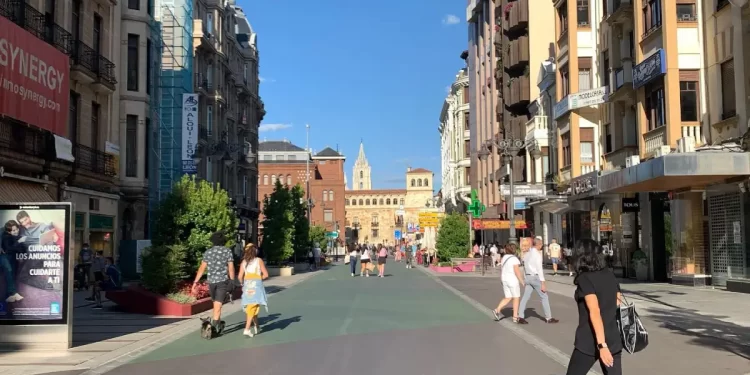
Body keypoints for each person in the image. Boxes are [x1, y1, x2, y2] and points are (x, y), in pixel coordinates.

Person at [566, 239, 623, 375]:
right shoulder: (609, 274)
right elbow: (617, 302)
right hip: (612, 338)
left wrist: (601, 345)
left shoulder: (585, 278)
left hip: (589, 341)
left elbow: (594, 311)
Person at [192, 231, 236, 331]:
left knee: (216, 304)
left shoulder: (208, 252)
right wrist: (232, 280)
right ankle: (213, 325)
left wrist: (195, 282)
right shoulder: (227, 251)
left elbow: (202, 268)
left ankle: (218, 322)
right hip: (222, 281)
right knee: (218, 304)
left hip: (211, 282)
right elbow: (231, 267)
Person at [518, 236, 559, 324]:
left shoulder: (527, 253)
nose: (542, 246)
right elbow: (539, 269)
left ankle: (520, 316)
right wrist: (543, 282)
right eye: (541, 245)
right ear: (539, 244)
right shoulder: (537, 254)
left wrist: (525, 278)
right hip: (535, 277)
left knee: (525, 297)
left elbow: (524, 266)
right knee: (544, 296)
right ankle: (548, 317)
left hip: (528, 277)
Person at [238, 243, 268, 337]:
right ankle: (247, 329)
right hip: (256, 287)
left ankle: (257, 326)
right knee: (253, 306)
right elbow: (266, 274)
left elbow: (239, 276)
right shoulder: (258, 260)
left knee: (251, 306)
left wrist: (243, 283)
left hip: (247, 287)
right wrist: (258, 279)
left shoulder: (243, 262)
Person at [491, 243, 525, 323]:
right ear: (514, 250)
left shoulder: (504, 258)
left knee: (508, 297)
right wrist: (522, 281)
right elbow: (517, 271)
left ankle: (497, 310)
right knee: (516, 297)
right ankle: (515, 316)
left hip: (504, 279)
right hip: (512, 280)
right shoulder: (514, 259)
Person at [0, 220, 26, 303]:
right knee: (9, 269)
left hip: (10, 256)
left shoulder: (16, 235)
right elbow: (8, 249)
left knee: (13, 270)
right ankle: (13, 293)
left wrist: (21, 252)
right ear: (8, 231)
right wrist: (19, 242)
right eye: (14, 230)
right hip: (3, 256)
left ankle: (11, 294)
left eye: (17, 229)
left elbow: (19, 248)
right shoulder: (5, 236)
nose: (16, 231)